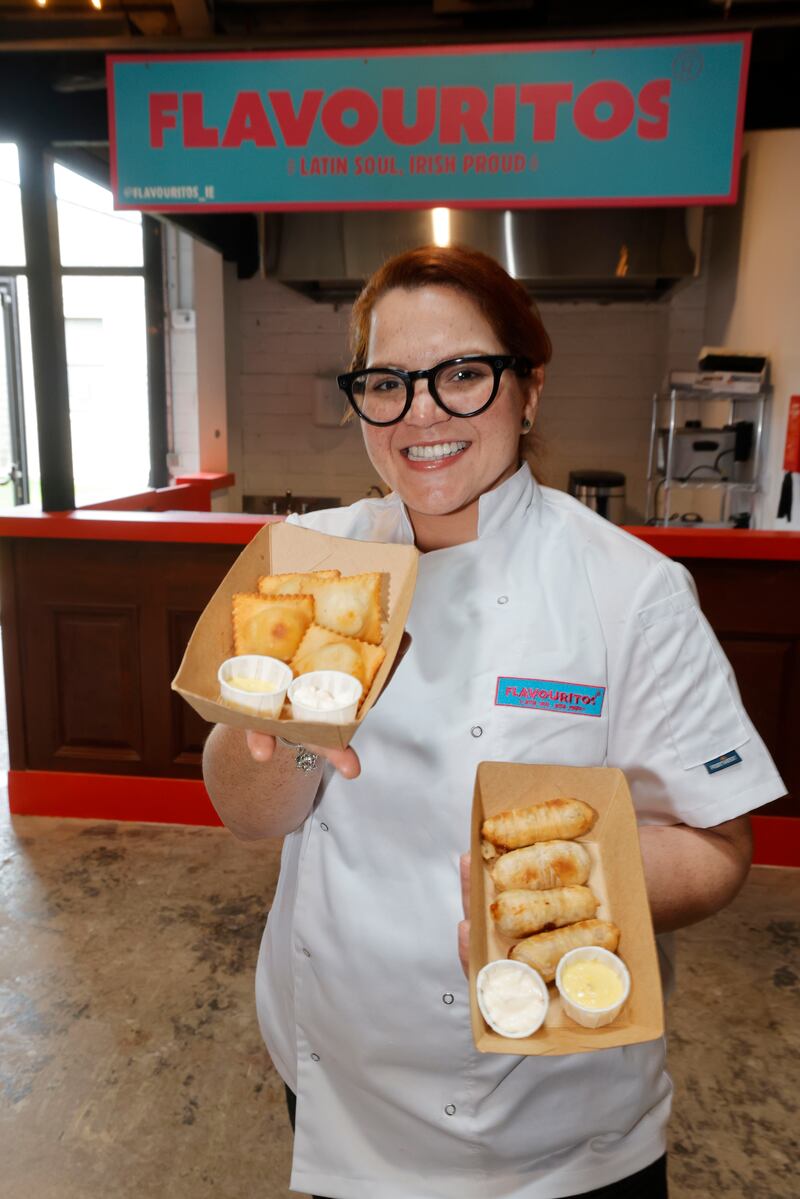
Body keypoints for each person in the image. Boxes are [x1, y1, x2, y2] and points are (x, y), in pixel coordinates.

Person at [202, 245, 785, 1199]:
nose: (421, 412)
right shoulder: (308, 560)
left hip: (558, 1126)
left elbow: (721, 845)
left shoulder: (629, 590)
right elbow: (246, 812)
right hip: (339, 1088)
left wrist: (567, 890)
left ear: (529, 388)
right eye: (387, 382)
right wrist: (300, 739)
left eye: (463, 373)